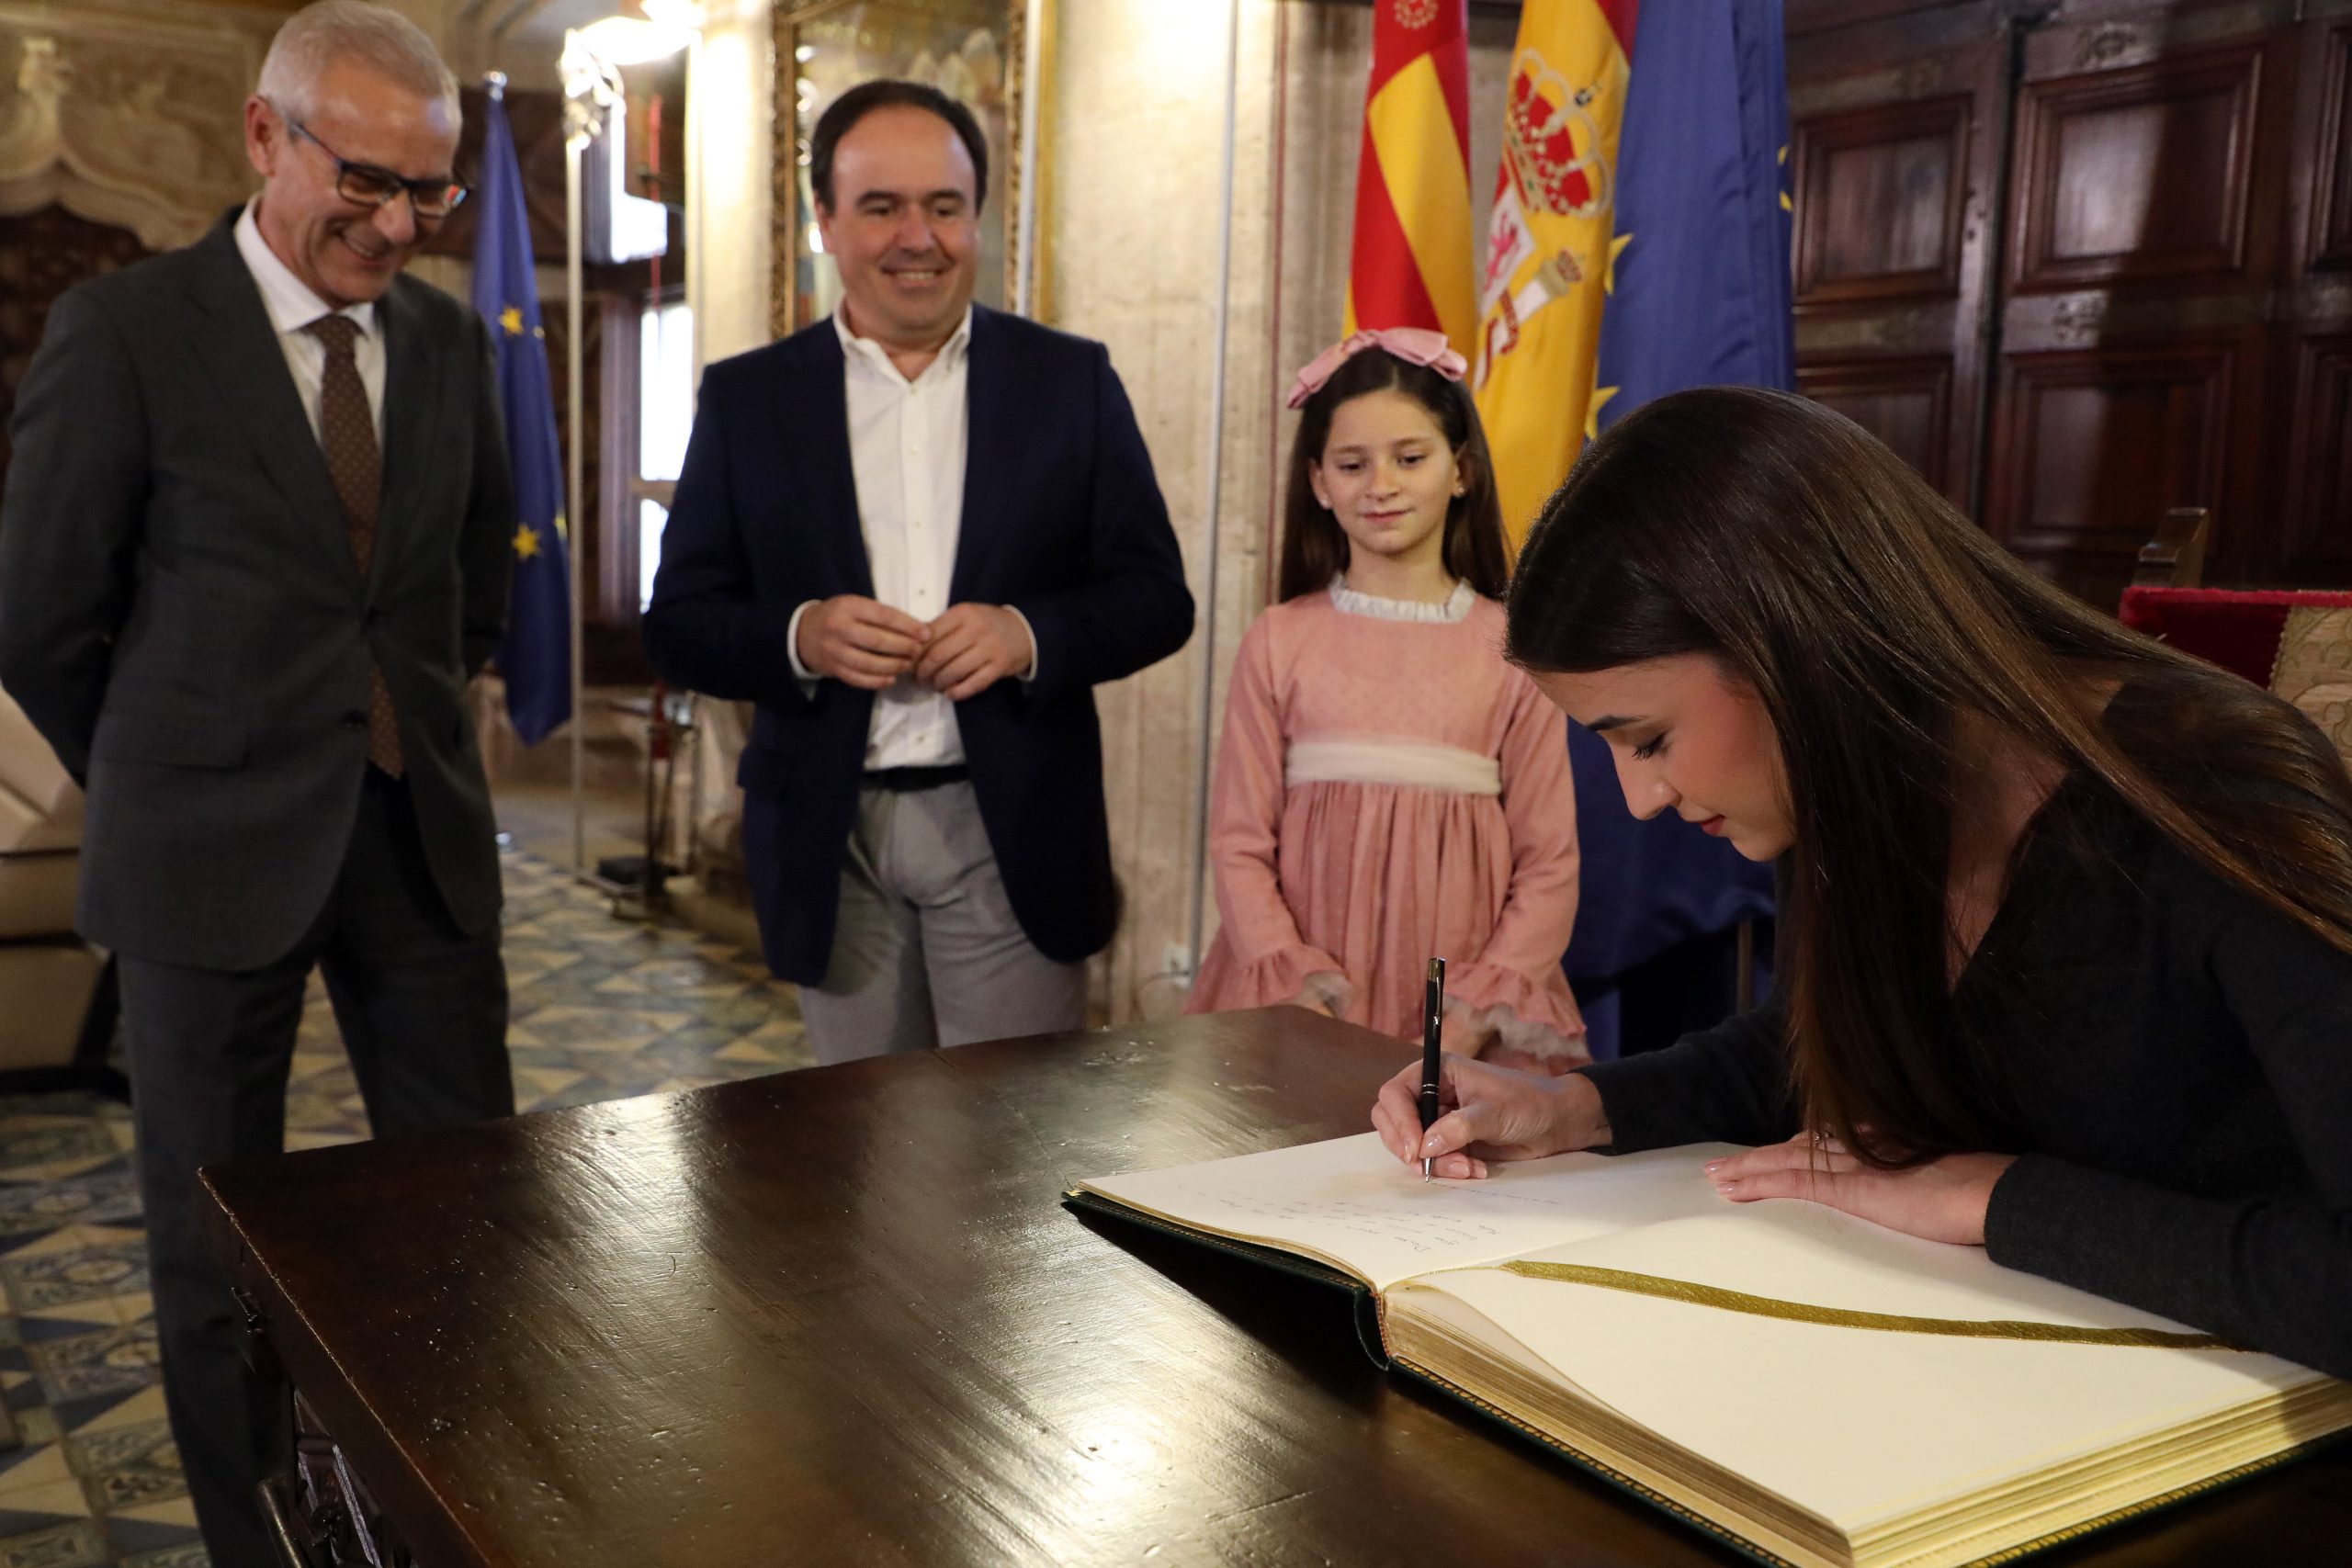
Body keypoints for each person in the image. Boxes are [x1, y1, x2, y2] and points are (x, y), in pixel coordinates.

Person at [1370, 385, 2352, 1379]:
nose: (1639, 800)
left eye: (1649, 739)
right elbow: (1817, 1042)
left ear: (1792, 649)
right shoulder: (1848, 782)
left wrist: (1991, 1197)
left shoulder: (2212, 786)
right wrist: (1573, 1109)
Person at [0, 3, 516, 1557]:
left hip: (417, 839)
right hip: (200, 856)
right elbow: (43, 617)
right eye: (364, 180)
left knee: (471, 1213)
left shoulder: (446, 343)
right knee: (212, 1237)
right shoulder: (127, 331)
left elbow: (469, 589)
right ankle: (263, 1540)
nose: (397, 224)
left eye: (428, 192)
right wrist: (168, 766)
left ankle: (445, 1519)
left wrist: (404, 723)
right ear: (263, 136)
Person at [644, 81, 1192, 1061]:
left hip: (1009, 822)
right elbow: (679, 620)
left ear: (976, 215)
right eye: (881, 207)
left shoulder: (1067, 382)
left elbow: (1155, 598)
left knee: (1010, 1133)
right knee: (863, 1136)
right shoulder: (749, 399)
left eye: (943, 206)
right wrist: (800, 635)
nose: (917, 238)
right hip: (829, 834)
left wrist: (1028, 634)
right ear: (824, 220)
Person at [1188, 330, 1585, 1069]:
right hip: (1300, 1019)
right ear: (1318, 481)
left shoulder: (1513, 650)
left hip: (1463, 1024)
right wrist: (1303, 1005)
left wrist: (1458, 1030)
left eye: (1409, 458)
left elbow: (1549, 861)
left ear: (1461, 470)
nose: (1381, 485)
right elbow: (1240, 844)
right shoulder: (1279, 640)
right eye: (1352, 464)